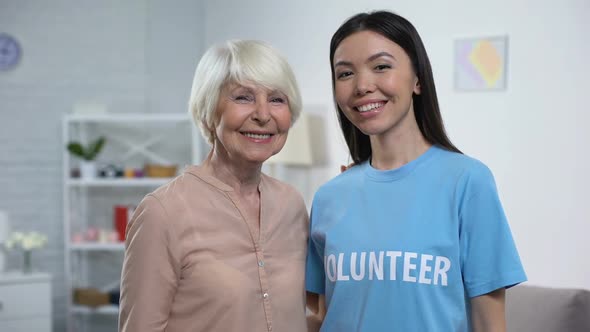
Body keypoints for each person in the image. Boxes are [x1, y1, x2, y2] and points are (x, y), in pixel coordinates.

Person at [305, 11, 527, 331]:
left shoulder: (467, 182)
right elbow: (321, 315)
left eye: (381, 66)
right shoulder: (328, 197)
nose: (362, 85)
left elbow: (489, 323)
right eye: (345, 74)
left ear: (418, 79)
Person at [119, 40, 309, 332]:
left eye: (277, 99)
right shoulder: (163, 213)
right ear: (209, 110)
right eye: (243, 97)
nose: (262, 114)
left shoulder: (292, 205)